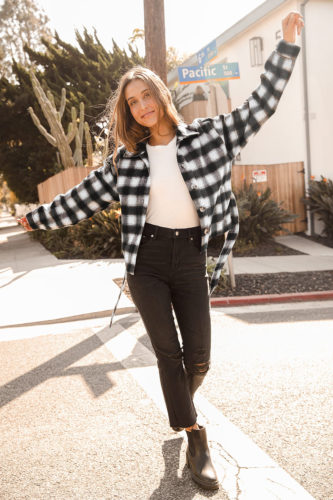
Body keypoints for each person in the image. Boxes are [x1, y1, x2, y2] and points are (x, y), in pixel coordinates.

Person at [18, 11, 304, 491]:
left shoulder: (211, 137)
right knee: (168, 355)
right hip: (146, 263)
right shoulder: (125, 163)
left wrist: (288, 45)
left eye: (147, 94)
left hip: (192, 257)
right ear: (128, 112)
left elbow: (261, 105)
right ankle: (196, 437)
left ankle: (181, 408)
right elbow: (80, 200)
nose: (142, 105)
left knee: (200, 360)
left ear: (161, 94)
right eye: (132, 102)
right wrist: (35, 216)